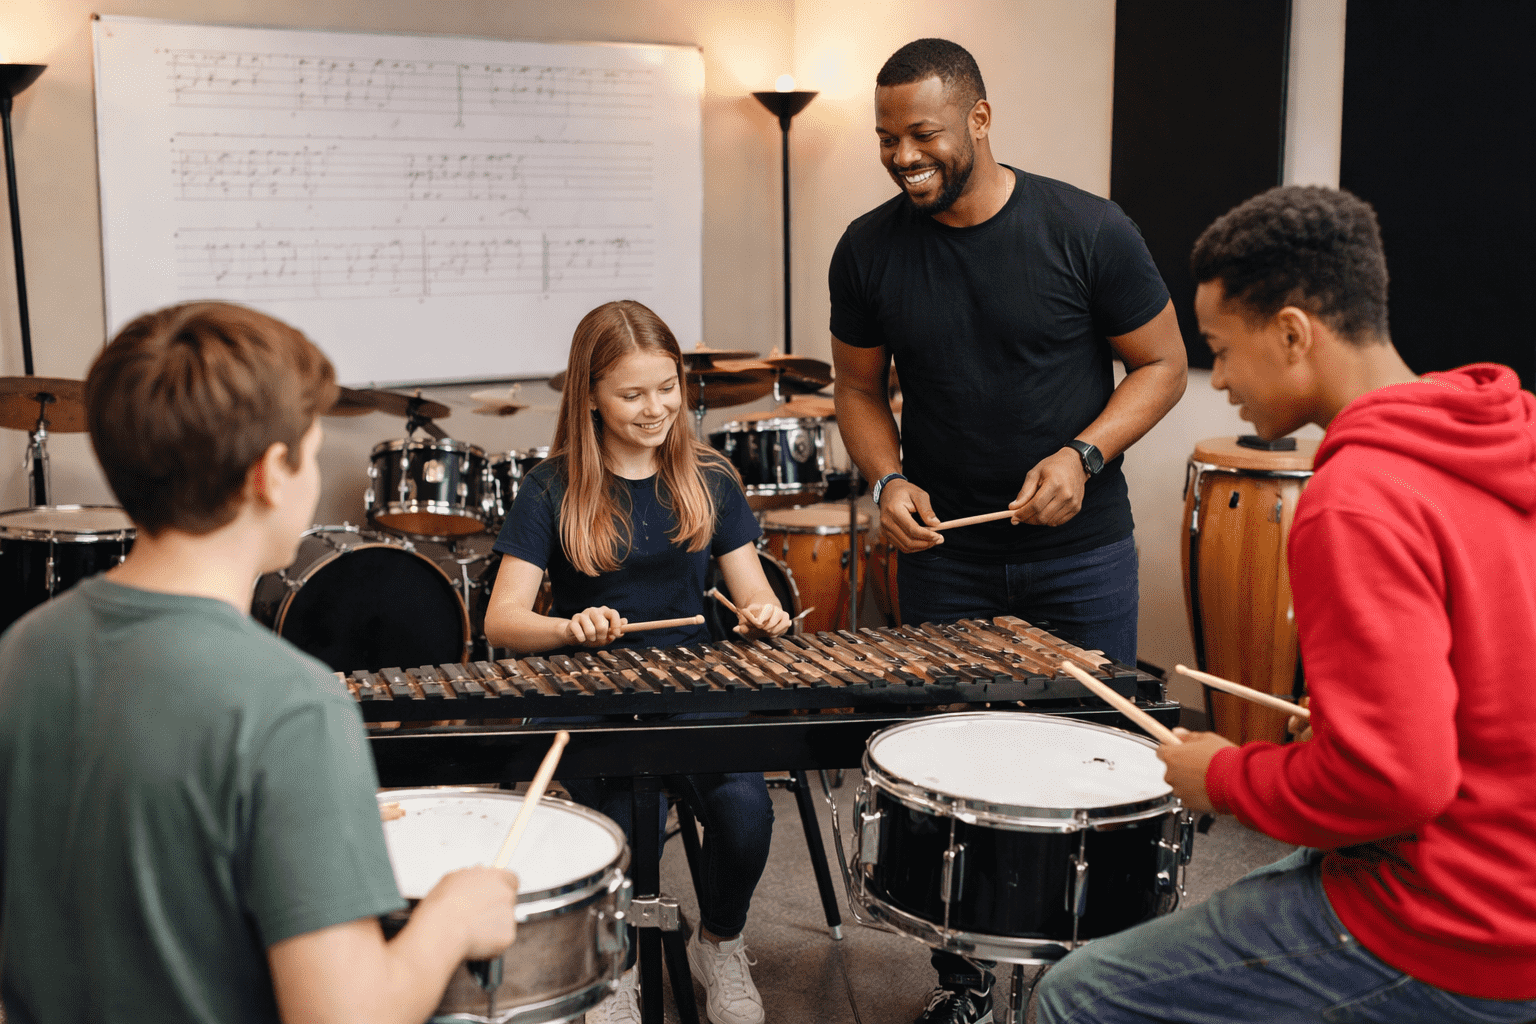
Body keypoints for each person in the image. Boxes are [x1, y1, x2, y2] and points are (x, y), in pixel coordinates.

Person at [1034, 186, 1536, 1022]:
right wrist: (1347, 722)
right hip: (1514, 877)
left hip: (1452, 919)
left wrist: (1222, 777)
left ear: (1294, 332)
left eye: (1222, 350)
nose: (1219, 379)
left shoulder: (1356, 498)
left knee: (1078, 995)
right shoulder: (1498, 439)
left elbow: (1397, 781)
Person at [0, 302, 519, 1023]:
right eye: (310, 451)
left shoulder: (22, 650)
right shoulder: (291, 704)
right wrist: (453, 918)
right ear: (274, 473)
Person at [828, 37, 1188, 1024]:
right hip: (950, 557)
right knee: (952, 769)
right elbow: (857, 389)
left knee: (1095, 765)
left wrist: (1087, 454)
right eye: (888, 138)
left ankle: (1091, 985)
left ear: (980, 120)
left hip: (1082, 551)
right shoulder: (868, 249)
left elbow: (1163, 364)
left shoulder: (1086, 228)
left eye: (925, 134)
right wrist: (888, 475)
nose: (904, 157)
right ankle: (967, 983)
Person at [483, 299, 792, 1024]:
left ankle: (718, 941)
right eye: (631, 395)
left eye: (667, 388)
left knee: (746, 811)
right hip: (587, 688)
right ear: (589, 394)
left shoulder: (710, 478)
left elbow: (752, 595)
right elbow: (503, 619)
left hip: (691, 680)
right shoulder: (551, 487)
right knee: (623, 825)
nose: (655, 409)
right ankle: (613, 961)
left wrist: (764, 615)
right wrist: (568, 627)